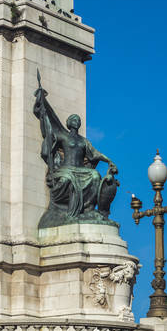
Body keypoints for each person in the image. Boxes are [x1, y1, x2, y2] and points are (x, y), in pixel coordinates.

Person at [34, 75, 119, 225]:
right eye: (74, 119)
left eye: (78, 120)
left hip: (80, 169)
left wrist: (109, 161)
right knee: (68, 179)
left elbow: (96, 153)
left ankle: (88, 209)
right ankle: (73, 212)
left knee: (94, 176)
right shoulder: (63, 136)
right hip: (66, 169)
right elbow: (50, 130)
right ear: (68, 123)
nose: (76, 121)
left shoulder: (83, 141)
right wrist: (44, 113)